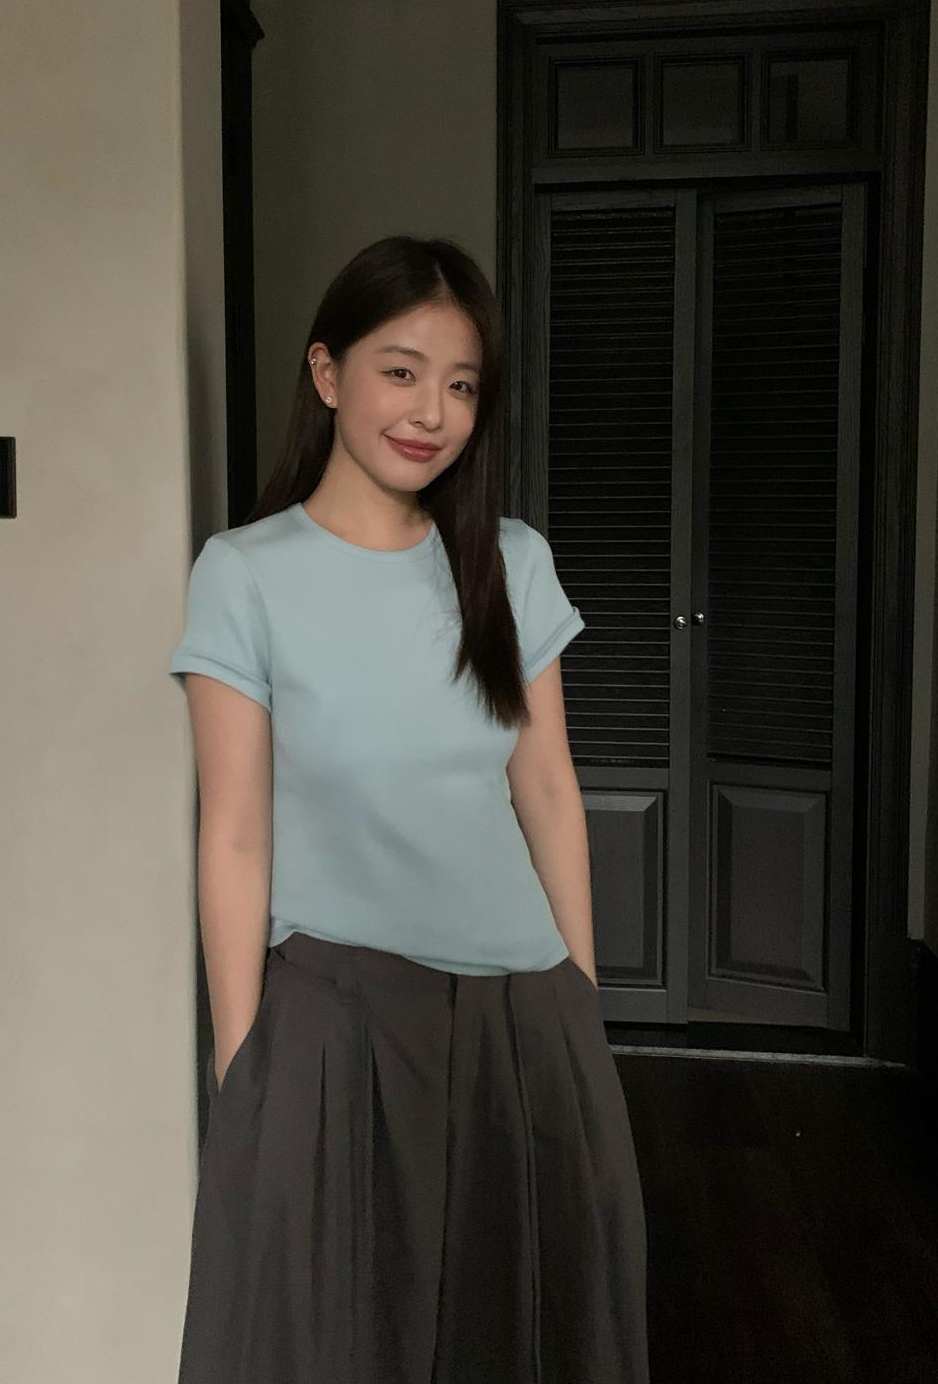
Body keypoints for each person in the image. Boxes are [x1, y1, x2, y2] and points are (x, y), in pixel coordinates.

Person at [168, 235, 650, 1383]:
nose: (432, 411)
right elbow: (233, 831)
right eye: (401, 370)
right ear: (327, 373)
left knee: (523, 1335)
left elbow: (545, 787)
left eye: (462, 384)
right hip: (333, 1023)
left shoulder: (510, 563)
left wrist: (578, 1000)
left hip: (522, 1016)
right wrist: (242, 1065)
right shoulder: (244, 572)